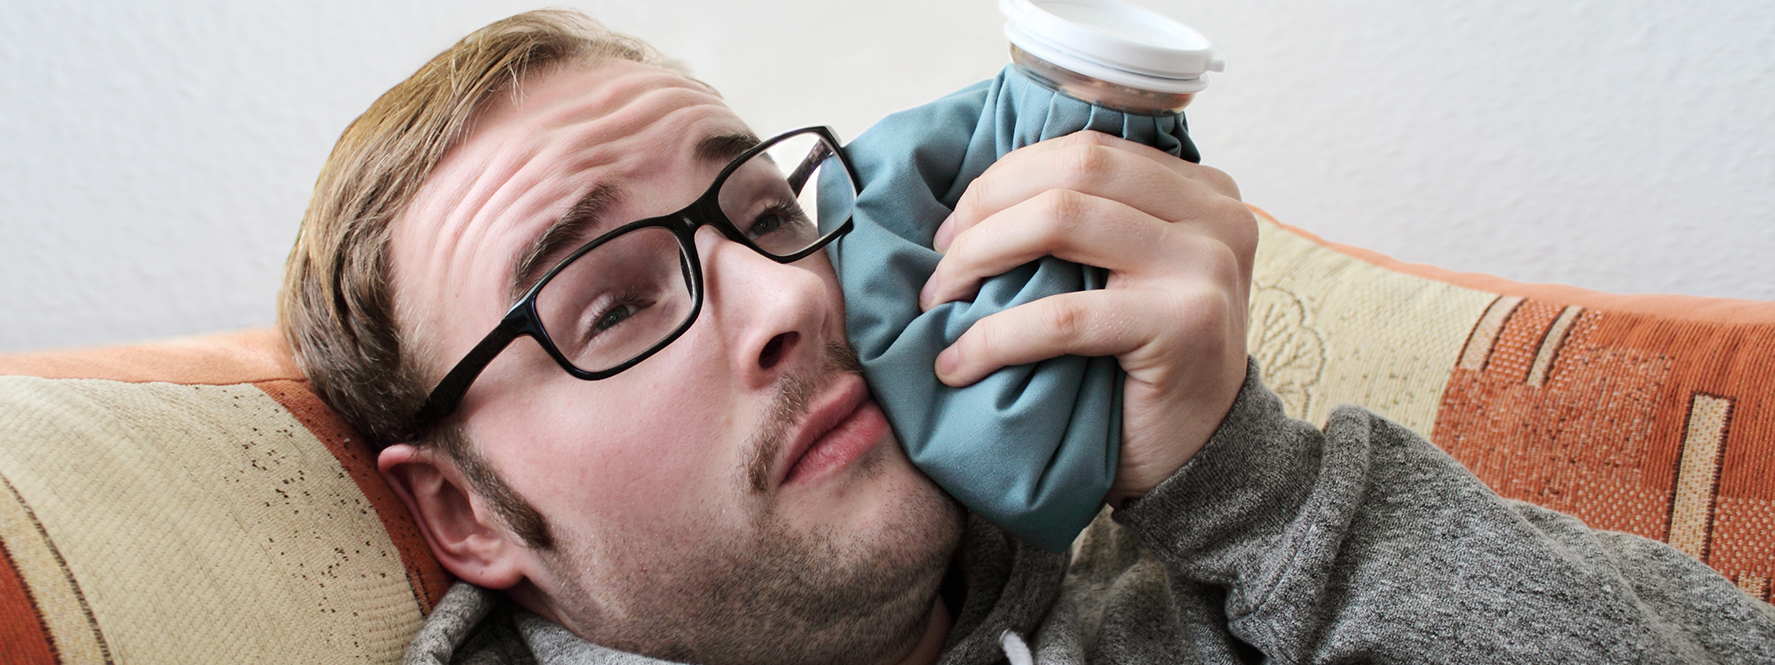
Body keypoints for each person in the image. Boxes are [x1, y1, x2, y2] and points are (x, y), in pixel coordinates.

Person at [277, 10, 1775, 665]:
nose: (793, 297)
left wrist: (1259, 491)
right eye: (612, 298)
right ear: (466, 510)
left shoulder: (1194, 575)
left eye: (764, 209)